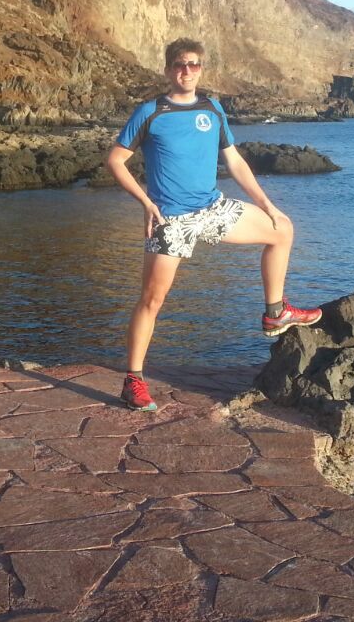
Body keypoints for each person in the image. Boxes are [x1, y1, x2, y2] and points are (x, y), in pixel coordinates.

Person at [105, 38, 322, 411]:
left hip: (212, 208)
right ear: (168, 69)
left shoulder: (212, 108)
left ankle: (275, 313)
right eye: (179, 64)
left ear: (201, 69)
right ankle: (133, 380)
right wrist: (146, 202)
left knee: (282, 229)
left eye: (193, 64)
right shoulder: (150, 112)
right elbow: (115, 160)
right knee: (152, 300)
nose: (186, 71)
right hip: (170, 218)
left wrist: (268, 205)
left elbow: (234, 161)